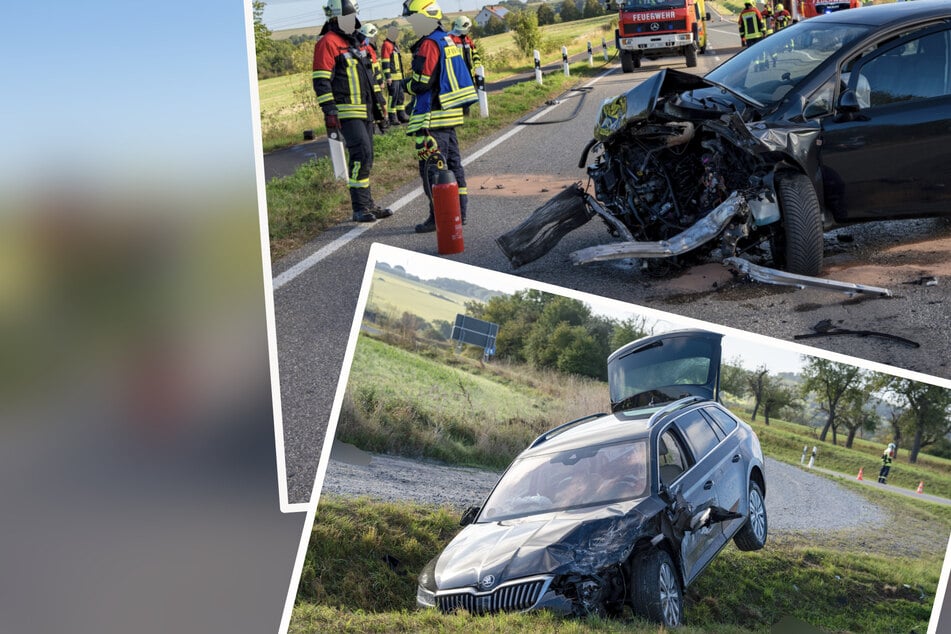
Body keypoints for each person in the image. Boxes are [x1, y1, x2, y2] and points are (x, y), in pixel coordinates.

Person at [402, 0, 478, 233]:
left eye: (414, 20)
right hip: (450, 115)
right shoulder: (446, 40)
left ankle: (439, 218)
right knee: (454, 166)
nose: (412, 25)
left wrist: (406, 86)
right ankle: (458, 214)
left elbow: (423, 82)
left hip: (432, 119)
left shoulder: (428, 44)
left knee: (433, 169)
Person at [313, 0, 392, 222]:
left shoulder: (357, 42)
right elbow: (321, 80)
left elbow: (370, 78)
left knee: (367, 157)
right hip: (346, 111)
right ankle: (359, 207)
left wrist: (380, 105)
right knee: (362, 154)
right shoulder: (328, 43)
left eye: (353, 16)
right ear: (335, 18)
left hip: (366, 109)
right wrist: (329, 110)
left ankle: (367, 205)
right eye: (346, 17)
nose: (351, 21)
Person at [448, 16, 482, 117]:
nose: (468, 30)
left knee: (468, 95)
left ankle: (466, 115)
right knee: (458, 95)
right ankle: (458, 116)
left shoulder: (467, 39)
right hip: (456, 73)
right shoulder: (450, 38)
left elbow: (474, 52)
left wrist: (477, 66)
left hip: (468, 72)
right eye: (467, 28)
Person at [380, 27, 410, 126]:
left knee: (400, 97)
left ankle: (401, 115)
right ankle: (392, 117)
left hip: (399, 77)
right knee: (393, 97)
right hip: (392, 77)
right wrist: (388, 76)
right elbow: (385, 61)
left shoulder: (394, 45)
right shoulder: (387, 45)